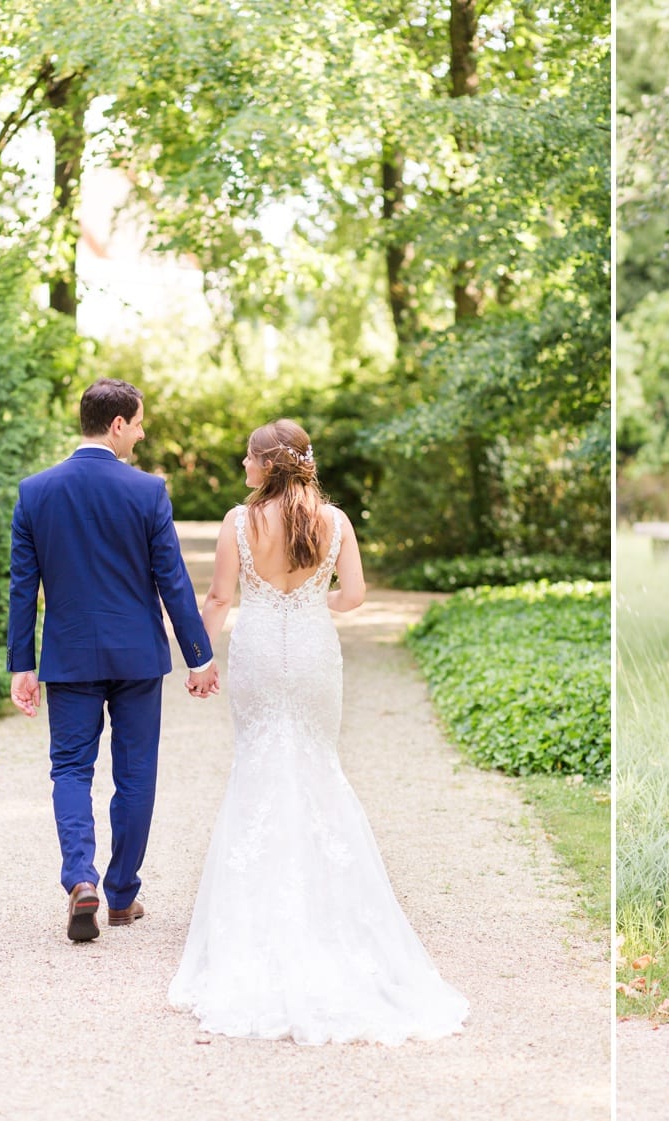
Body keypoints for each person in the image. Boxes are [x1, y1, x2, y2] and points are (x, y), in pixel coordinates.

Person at [168, 419, 468, 1045]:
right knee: (316, 765)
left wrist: (199, 658)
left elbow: (220, 599)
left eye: (247, 457)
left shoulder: (238, 522)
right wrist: (310, 607)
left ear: (265, 464)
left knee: (256, 768)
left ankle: (257, 925)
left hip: (255, 654)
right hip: (310, 655)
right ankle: (332, 916)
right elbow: (354, 595)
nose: (241, 466)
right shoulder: (335, 522)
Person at [8, 378, 218, 943]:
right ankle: (123, 894)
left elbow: (22, 589)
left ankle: (81, 879)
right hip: (137, 657)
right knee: (136, 772)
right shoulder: (148, 493)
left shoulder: (35, 492)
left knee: (71, 769)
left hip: (69, 655)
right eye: (140, 422)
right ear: (118, 424)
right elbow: (172, 581)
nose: (143, 433)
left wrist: (20, 665)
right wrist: (198, 656)